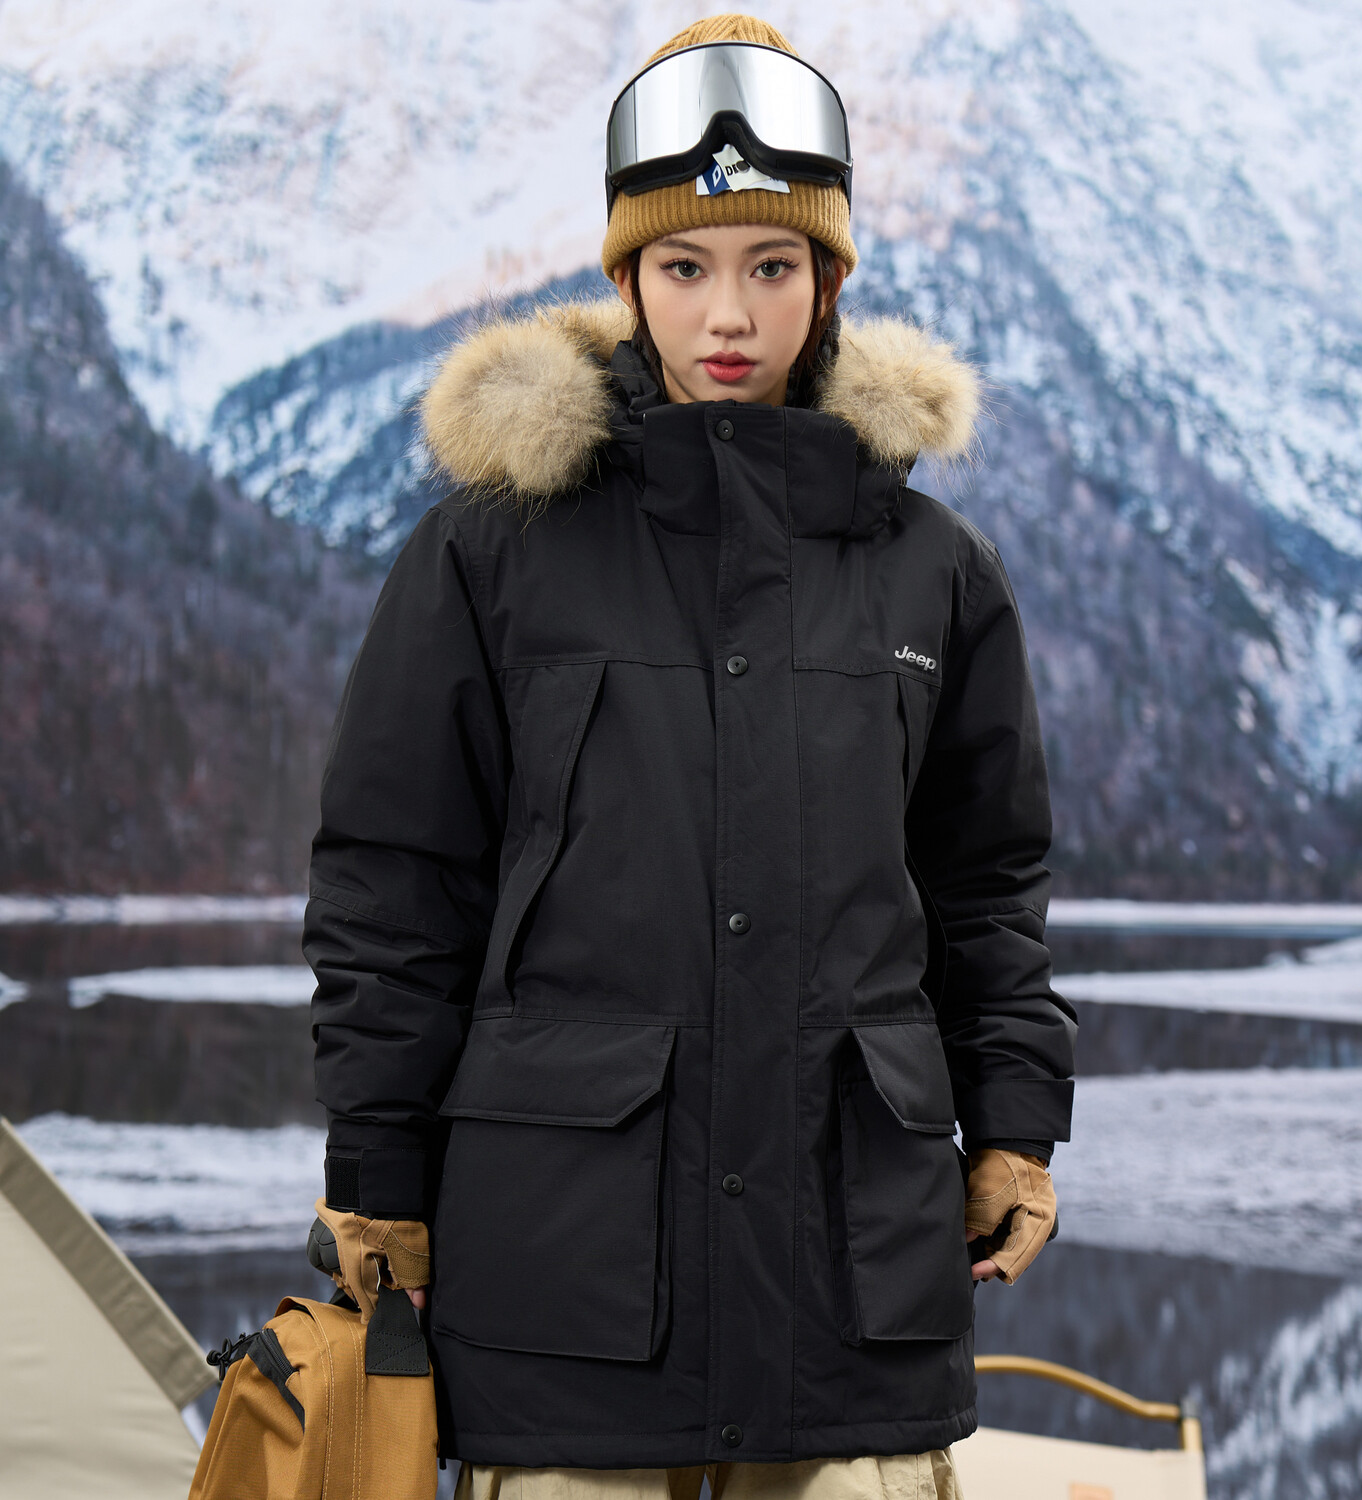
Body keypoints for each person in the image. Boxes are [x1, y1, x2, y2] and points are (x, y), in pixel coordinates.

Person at [303, 14, 1076, 1500]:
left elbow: (987, 890)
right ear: (626, 281)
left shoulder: (934, 568)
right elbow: (392, 889)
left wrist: (1017, 1128)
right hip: (568, 1286)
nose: (730, 313)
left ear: (830, 280)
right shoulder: (491, 552)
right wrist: (375, 1171)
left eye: (774, 267)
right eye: (684, 267)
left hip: (853, 1284)